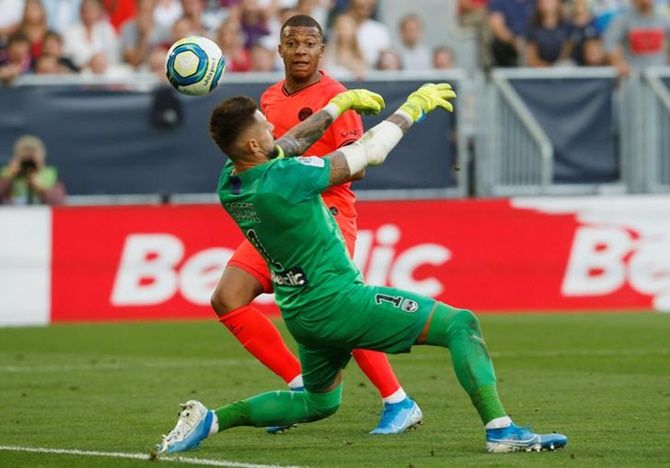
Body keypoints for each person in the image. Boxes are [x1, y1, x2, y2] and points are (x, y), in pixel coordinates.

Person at [156, 83, 568, 455]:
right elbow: (370, 152)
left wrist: (337, 106)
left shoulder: (230, 181)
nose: (273, 132)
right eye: (265, 127)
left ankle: (210, 420)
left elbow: (289, 143)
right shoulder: (286, 180)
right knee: (461, 324)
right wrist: (413, 108)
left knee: (318, 403)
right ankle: (501, 430)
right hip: (340, 301)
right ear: (250, 145)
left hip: (301, 313)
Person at [209, 14, 423, 435]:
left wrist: (294, 167)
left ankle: (399, 401)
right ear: (281, 48)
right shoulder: (267, 101)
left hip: (326, 214)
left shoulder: (338, 95)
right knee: (227, 298)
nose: (302, 51)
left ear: (321, 51)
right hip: (277, 219)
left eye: (310, 45)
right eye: (294, 44)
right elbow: (267, 159)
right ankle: (300, 386)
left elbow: (355, 165)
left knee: (340, 311)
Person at [603, 0, 670, 77]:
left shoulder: (663, 19)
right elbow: (608, 42)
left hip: (659, 75)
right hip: (632, 75)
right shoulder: (623, 20)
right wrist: (619, 63)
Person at [0, 134, 66, 205]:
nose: (28, 165)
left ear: (42, 158)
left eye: (32, 160)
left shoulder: (49, 175)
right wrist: (9, 178)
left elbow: (58, 203)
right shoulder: (6, 174)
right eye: (25, 160)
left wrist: (41, 188)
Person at [488, 0, 536, 67]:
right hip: (509, 46)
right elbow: (497, 27)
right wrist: (514, 41)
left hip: (534, 43)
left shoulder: (536, 2)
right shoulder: (499, 2)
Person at [525, 0, 572, 67]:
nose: (548, 2)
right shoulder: (532, 27)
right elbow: (531, 58)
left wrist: (557, 68)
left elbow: (566, 53)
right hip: (538, 72)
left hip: (561, 69)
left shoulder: (567, 26)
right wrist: (548, 69)